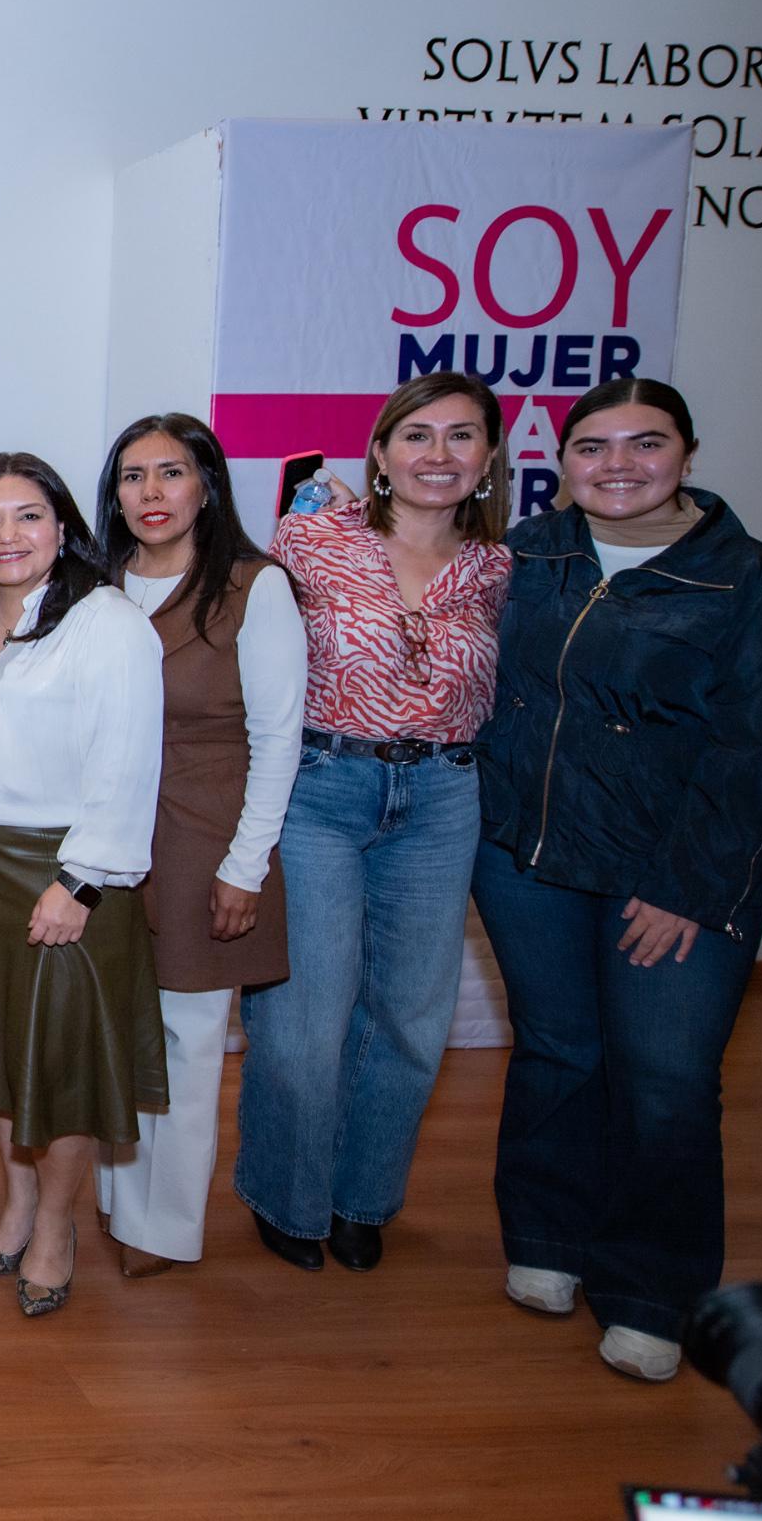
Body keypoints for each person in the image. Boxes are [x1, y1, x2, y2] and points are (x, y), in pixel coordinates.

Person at [471, 378, 762, 1383]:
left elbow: (761, 753)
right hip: (528, 858)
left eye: (644, 443)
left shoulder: (750, 582)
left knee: (665, 1082)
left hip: (671, 877)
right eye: (592, 446)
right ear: (561, 460)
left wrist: (690, 885)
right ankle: (547, 1236)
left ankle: (653, 1291)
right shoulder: (528, 554)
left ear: (686, 455)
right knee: (557, 1050)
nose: (617, 464)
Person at [232, 371, 511, 1275]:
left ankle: (362, 1199)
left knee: (412, 1017)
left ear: (489, 456)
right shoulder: (310, 538)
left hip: (442, 797)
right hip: (322, 786)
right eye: (417, 435)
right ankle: (288, 1195)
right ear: (382, 452)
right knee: (305, 1014)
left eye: (461, 435)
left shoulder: (501, 566)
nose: (439, 453)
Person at [0, 452, 165, 1317]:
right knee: (1, 1050)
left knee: (60, 1066)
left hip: (65, 874)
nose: (8, 536)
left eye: (28, 515)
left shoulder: (108, 622)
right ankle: (18, 1205)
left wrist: (81, 882)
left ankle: (57, 1227)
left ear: (64, 527)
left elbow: (128, 764)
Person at [87, 414, 304, 1276]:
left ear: (207, 485)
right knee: (113, 1028)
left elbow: (278, 737)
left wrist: (244, 866)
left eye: (170, 472)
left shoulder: (254, 587)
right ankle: (116, 1198)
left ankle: (164, 1228)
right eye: (132, 476)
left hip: (202, 835)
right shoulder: (97, 585)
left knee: (186, 1036)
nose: (151, 492)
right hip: (105, 836)